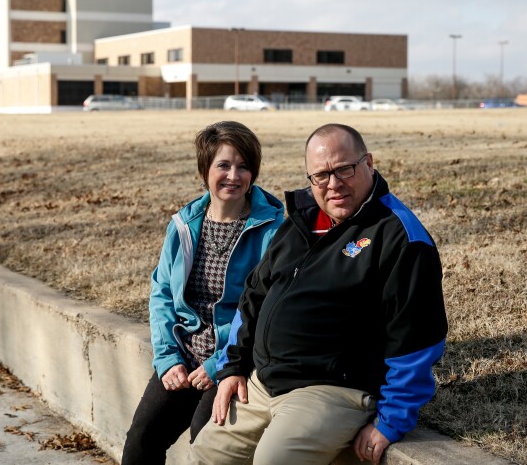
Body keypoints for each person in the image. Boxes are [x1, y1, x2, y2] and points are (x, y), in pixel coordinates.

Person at [192, 123, 448, 465]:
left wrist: (391, 422)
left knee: (274, 461)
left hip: (332, 389)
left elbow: (417, 339)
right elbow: (254, 295)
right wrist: (233, 366)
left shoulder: (400, 237)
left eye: (344, 169)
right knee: (204, 454)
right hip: (263, 382)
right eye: (321, 176)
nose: (334, 184)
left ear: (369, 163)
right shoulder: (301, 221)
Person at [121, 121, 285, 464]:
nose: (234, 175)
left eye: (243, 166)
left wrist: (218, 364)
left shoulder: (272, 230)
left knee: (204, 440)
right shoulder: (184, 224)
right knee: (142, 438)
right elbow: (162, 293)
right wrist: (167, 359)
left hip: (236, 360)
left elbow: (267, 309)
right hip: (185, 354)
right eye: (223, 165)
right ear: (205, 170)